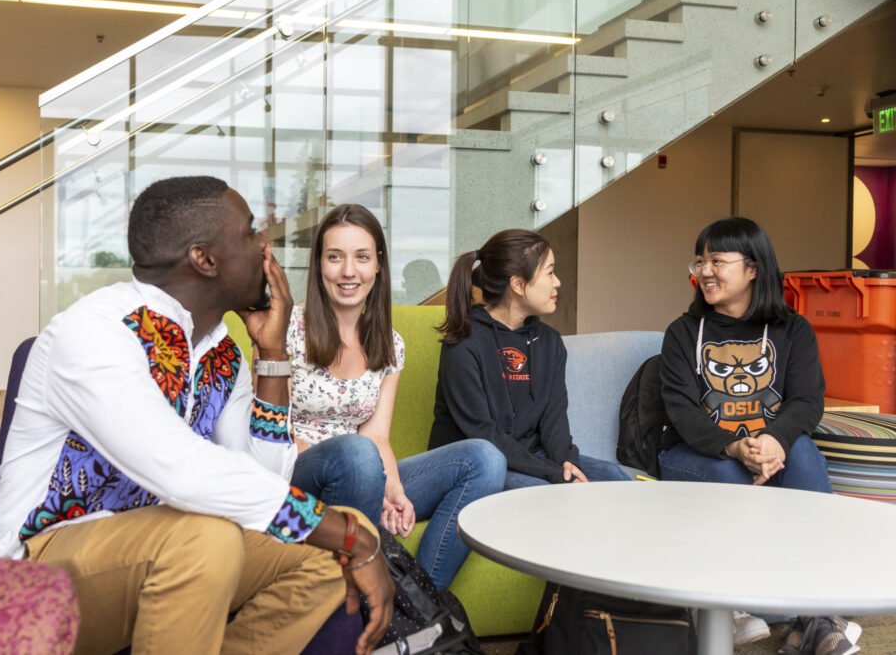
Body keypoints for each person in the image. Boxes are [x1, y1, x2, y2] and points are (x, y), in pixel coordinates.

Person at [0, 176, 393, 655]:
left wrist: (272, 354)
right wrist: (340, 534)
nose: (266, 245)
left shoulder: (220, 350)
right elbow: (179, 468)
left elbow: (263, 477)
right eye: (250, 233)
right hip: (42, 570)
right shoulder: (94, 331)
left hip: (173, 545)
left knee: (338, 540)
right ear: (205, 258)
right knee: (213, 537)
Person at [659, 216, 860, 652]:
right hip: (694, 456)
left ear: (753, 268)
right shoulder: (681, 334)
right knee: (734, 478)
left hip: (767, 452)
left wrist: (773, 440)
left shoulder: (793, 330)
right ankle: (730, 600)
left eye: (718, 260)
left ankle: (817, 615)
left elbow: (807, 401)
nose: (705, 271)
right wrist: (733, 445)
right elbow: (681, 413)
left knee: (803, 452)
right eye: (700, 260)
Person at [285, 204, 506, 592]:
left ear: (378, 266)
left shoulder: (390, 344)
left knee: (484, 459)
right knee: (355, 454)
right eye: (335, 257)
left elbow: (378, 436)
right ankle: (369, 599)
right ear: (319, 264)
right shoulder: (288, 329)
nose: (349, 271)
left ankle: (415, 599)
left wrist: (393, 491)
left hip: (364, 465)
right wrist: (366, 473)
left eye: (362, 257)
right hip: (297, 472)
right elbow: (273, 430)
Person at [430, 229, 629, 488]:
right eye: (549, 272)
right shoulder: (464, 342)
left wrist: (567, 461)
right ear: (518, 284)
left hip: (533, 456)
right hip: (480, 465)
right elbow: (482, 433)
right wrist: (550, 472)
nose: (557, 282)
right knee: (542, 494)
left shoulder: (549, 341)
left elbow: (554, 418)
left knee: (615, 480)